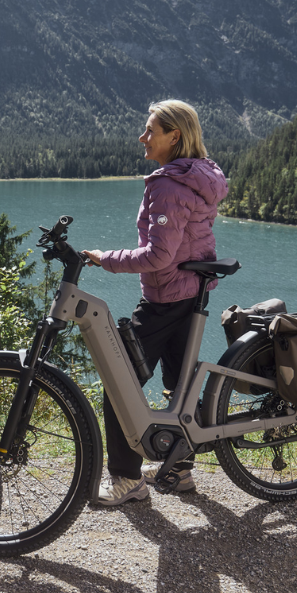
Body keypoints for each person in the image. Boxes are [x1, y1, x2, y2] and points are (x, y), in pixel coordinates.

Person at [81, 99, 228, 506]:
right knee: (178, 387)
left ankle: (127, 480)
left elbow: (159, 256)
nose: (143, 138)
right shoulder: (199, 176)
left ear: (174, 136)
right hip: (191, 293)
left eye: (150, 131)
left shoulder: (168, 184)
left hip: (167, 298)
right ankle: (178, 469)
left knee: (120, 384)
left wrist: (103, 258)